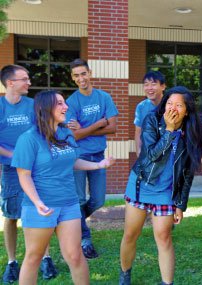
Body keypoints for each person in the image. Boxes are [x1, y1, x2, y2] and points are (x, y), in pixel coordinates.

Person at [11, 90, 115, 284]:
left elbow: (73, 161)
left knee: (75, 256)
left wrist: (99, 165)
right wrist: (37, 202)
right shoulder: (29, 138)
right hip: (41, 207)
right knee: (34, 257)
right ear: (45, 108)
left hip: (69, 203)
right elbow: (23, 175)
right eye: (59, 103)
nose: (65, 107)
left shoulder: (66, 132)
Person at [119, 86, 202, 285]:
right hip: (142, 184)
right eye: (169, 103)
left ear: (187, 110)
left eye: (178, 105)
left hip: (166, 192)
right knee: (131, 234)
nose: (172, 108)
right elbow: (151, 155)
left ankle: (167, 283)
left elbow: (187, 172)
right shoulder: (152, 120)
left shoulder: (191, 132)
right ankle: (125, 273)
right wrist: (169, 130)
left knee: (164, 237)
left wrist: (180, 204)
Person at [0, 65, 58, 282]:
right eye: (24, 79)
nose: (29, 83)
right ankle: (12, 262)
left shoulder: (32, 106)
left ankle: (46, 258)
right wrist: (16, 155)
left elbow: (45, 131)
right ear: (10, 83)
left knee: (41, 210)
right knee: (11, 216)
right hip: (11, 170)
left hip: (36, 168)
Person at [66, 58, 119, 259]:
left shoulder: (104, 97)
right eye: (76, 75)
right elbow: (75, 135)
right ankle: (84, 238)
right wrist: (99, 123)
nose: (81, 78)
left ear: (90, 73)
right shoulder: (71, 102)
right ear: (73, 78)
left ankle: (72, 221)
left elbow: (113, 128)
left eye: (83, 73)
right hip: (77, 156)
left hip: (98, 155)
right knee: (79, 199)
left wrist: (85, 129)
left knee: (98, 200)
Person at [134, 71, 166, 156]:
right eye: (146, 84)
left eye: (153, 84)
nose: (149, 88)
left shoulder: (171, 105)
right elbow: (138, 132)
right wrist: (139, 153)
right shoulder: (141, 107)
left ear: (163, 86)